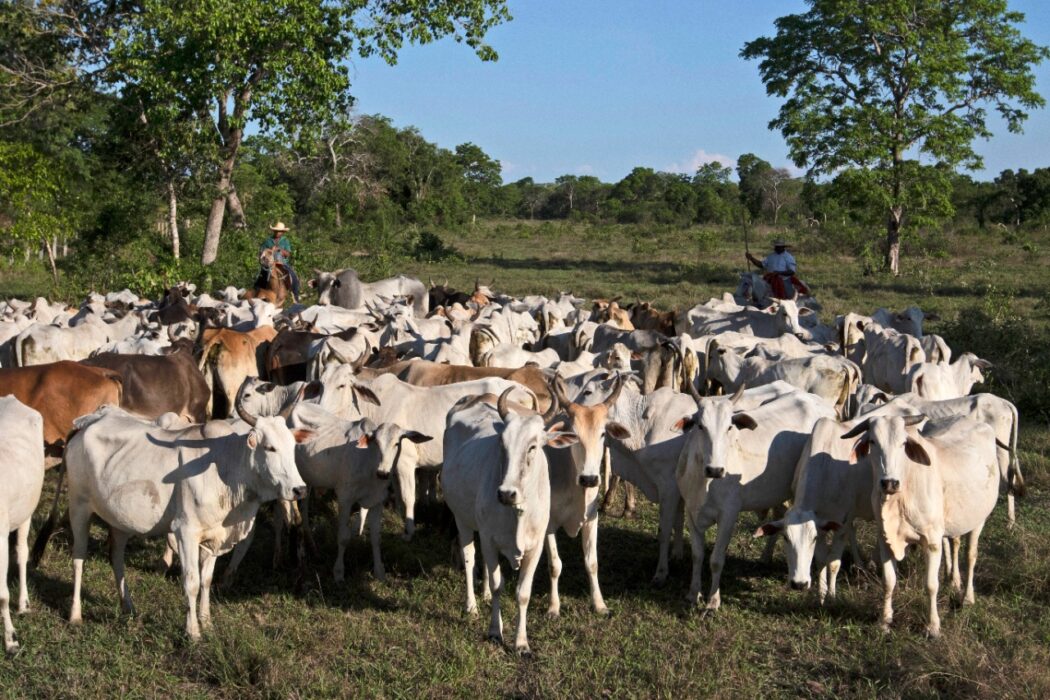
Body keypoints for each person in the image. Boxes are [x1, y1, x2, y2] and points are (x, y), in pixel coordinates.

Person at [746, 238, 810, 298]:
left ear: (783, 247)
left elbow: (792, 271)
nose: (777, 248)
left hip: (783, 279)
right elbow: (761, 265)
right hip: (770, 278)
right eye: (776, 246)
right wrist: (751, 258)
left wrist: (779, 273)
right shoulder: (771, 256)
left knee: (786, 292)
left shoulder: (788, 257)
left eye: (779, 247)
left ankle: (784, 300)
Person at [256, 221, 301, 302]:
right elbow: (261, 252)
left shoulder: (285, 241)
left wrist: (279, 249)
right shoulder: (268, 241)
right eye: (276, 230)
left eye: (279, 231)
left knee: (293, 276)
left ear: (283, 232)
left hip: (282, 263)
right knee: (260, 277)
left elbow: (287, 254)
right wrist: (269, 250)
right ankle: (257, 293)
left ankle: (296, 296)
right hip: (269, 264)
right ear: (273, 231)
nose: (277, 232)